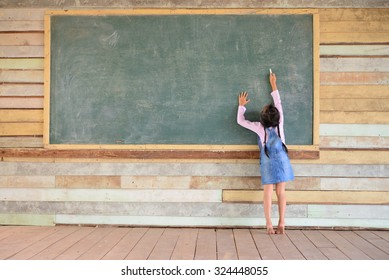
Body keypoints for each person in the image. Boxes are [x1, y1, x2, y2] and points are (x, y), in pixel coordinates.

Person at [237, 72, 294, 234]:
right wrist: (273, 85)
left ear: (262, 119)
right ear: (277, 117)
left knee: (268, 192)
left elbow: (240, 121)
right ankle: (282, 223)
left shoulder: (258, 127)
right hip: (282, 161)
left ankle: (269, 225)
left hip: (268, 162)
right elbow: (279, 102)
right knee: (281, 192)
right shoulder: (280, 122)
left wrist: (242, 106)